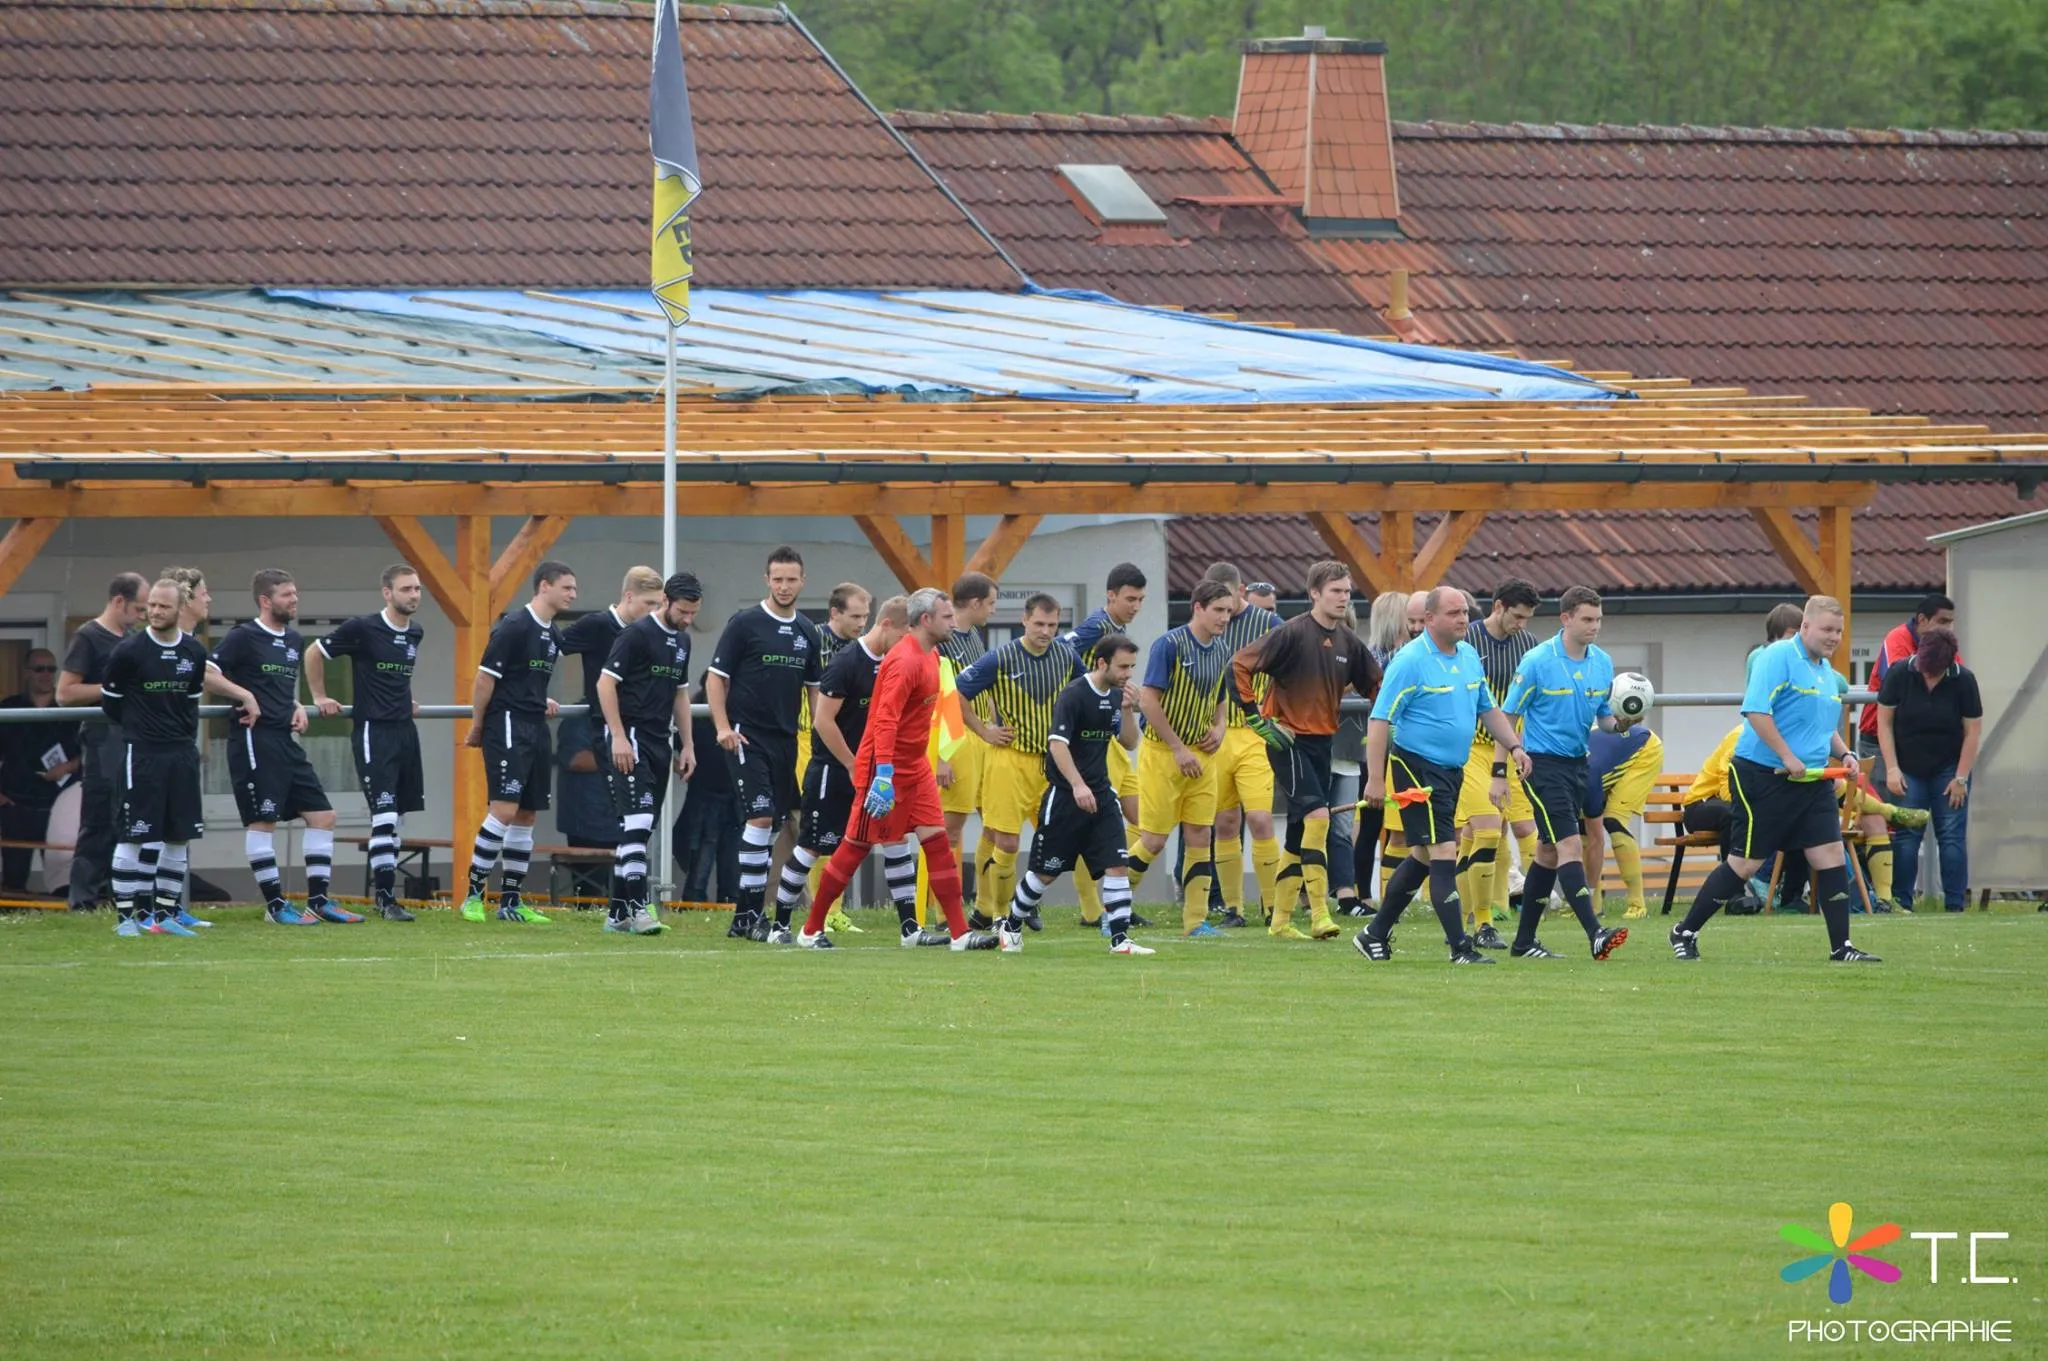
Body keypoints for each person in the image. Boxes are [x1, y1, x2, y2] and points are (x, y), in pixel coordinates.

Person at [1671, 596, 1879, 963]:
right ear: (1805, 627)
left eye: (1839, 631)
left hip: (1811, 779)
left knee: (1830, 854)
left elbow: (1823, 725)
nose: (1834, 637)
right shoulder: (1777, 657)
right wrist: (1786, 755)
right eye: (1827, 629)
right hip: (1762, 774)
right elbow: (1755, 711)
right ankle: (1684, 931)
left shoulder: (1825, 671)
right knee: (1747, 863)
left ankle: (1842, 948)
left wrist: (1844, 753)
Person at [798, 588, 997, 951]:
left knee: (938, 842)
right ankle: (810, 930)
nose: (954, 624)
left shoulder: (932, 655)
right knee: (854, 848)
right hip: (883, 768)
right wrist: (883, 775)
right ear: (926, 620)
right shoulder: (904, 662)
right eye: (947, 617)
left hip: (915, 766)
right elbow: (884, 721)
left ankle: (959, 933)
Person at [1356, 587, 1532, 964]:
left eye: (1464, 612)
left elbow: (1488, 708)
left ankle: (1374, 934)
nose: (1462, 619)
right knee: (1443, 851)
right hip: (1416, 767)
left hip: (1452, 769)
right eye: (1453, 613)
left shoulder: (1468, 656)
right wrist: (1375, 779)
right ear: (1430, 619)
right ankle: (1460, 947)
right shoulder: (1410, 661)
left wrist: (1515, 746)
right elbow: (1379, 719)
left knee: (1422, 855)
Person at [1231, 559, 1382, 941]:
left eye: (1347, 591)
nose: (1343, 598)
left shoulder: (1348, 641)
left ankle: (1280, 922)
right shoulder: (1291, 633)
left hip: (1321, 743)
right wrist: (1256, 718)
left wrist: (1391, 719)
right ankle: (1319, 914)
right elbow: (1239, 666)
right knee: (1318, 817)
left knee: (1299, 833)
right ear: (1315, 593)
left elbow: (1377, 685)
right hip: (1288, 742)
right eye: (1336, 591)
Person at [100, 579, 259, 936]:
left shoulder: (194, 652)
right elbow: (112, 703)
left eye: (163, 606)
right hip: (142, 754)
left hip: (182, 754)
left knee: (178, 836)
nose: (155, 612)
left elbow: (189, 701)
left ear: (179, 608)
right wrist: (143, 727)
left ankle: (166, 915)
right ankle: (126, 919)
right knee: (134, 835)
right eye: (152, 606)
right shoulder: (129, 651)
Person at [774, 596, 928, 943]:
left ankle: (910, 928)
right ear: (887, 626)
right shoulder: (846, 662)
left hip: (876, 772)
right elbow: (823, 720)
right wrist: (851, 763)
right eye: (904, 635)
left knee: (896, 839)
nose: (908, 644)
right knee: (813, 847)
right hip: (834, 770)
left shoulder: (895, 663)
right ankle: (779, 926)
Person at [1496, 587, 1632, 961]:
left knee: (1547, 852)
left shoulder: (1602, 662)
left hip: (1577, 764)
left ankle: (1523, 943)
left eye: (1598, 620)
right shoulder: (1537, 661)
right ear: (1566, 618)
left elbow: (1605, 719)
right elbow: (1506, 717)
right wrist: (1499, 770)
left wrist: (1624, 722)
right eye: (1587, 619)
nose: (1595, 626)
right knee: (1570, 845)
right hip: (1541, 765)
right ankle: (1595, 933)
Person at [210, 569, 352, 925]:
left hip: (285, 741)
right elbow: (206, 672)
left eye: (295, 593)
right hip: (253, 739)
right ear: (265, 600)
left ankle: (318, 902)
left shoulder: (293, 639)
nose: (295, 599)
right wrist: (244, 696)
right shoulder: (242, 636)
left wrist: (296, 705)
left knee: (323, 816)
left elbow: (276, 686)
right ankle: (275, 907)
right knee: (263, 821)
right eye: (287, 594)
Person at [998, 636, 1148, 954]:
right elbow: (1057, 745)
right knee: (1045, 874)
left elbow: (1130, 742)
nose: (1128, 674)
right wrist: (1078, 785)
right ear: (1102, 663)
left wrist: (1128, 710)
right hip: (1066, 797)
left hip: (1102, 796)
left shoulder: (1117, 696)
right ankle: (1011, 925)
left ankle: (1120, 940)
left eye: (1131, 667)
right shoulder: (1074, 694)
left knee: (1117, 866)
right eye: (1123, 667)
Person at [705, 545, 822, 940]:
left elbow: (814, 691)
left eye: (791, 579)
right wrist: (722, 727)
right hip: (746, 736)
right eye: (778, 579)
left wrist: (819, 737)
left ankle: (743, 917)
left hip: (786, 741)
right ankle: (754, 916)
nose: (784, 586)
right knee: (759, 818)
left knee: (772, 828)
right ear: (766, 580)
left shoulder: (807, 631)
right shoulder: (745, 623)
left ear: (802, 581)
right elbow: (715, 678)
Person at [307, 563, 426, 921]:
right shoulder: (362, 628)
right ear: (387, 593)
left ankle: (387, 898)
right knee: (384, 816)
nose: (414, 595)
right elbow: (314, 652)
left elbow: (393, 676)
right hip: (375, 731)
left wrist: (407, 697)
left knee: (397, 817)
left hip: (405, 731)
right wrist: (319, 696)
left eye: (417, 589)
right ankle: (386, 900)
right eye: (406, 589)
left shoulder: (415, 632)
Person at [958, 593, 1081, 930]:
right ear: (1024, 620)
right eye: (1039, 623)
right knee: (1006, 840)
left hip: (1051, 763)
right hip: (1009, 760)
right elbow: (956, 693)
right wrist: (984, 730)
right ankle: (998, 914)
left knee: (1053, 840)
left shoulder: (1067, 656)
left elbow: (1085, 691)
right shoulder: (1000, 657)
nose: (1046, 631)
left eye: (1052, 625)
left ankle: (1022, 901)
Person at [461, 560, 575, 923]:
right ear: (544, 586)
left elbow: (525, 679)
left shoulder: (553, 634)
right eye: (567, 587)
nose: (573, 594)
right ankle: (473, 895)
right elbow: (485, 679)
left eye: (574, 589)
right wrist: (478, 725)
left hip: (536, 727)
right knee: (504, 809)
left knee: (527, 814)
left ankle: (511, 901)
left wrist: (541, 698)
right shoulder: (514, 625)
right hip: (507, 724)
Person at [595, 571, 702, 935]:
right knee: (638, 824)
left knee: (639, 828)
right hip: (632, 737)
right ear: (666, 601)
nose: (687, 619)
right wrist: (618, 736)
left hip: (659, 741)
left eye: (693, 613)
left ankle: (616, 915)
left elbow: (680, 694)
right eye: (683, 611)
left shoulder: (683, 641)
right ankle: (640, 908)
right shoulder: (636, 634)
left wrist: (687, 745)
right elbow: (605, 683)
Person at [1128, 580, 1235, 938]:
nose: (1224, 617)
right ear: (1198, 608)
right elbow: (1148, 700)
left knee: (1200, 834)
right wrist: (1177, 748)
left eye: (1229, 610)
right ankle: (1114, 908)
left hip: (1202, 756)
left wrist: (1220, 728)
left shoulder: (1221, 648)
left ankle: (1195, 921)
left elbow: (1220, 697)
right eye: (1218, 610)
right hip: (1164, 754)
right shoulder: (1169, 645)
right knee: (1154, 840)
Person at [1454, 578, 1541, 950]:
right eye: (1517, 616)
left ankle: (1466, 916)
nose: (1521, 624)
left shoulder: (1528, 645)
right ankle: (1483, 923)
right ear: (1498, 607)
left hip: (1512, 747)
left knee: (1513, 831)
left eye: (1527, 618)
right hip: (1470, 748)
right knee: (1488, 830)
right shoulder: (1467, 642)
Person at [56, 572, 146, 910]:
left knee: (128, 816)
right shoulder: (89, 636)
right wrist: (111, 689)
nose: (142, 616)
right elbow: (65, 694)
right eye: (138, 608)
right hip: (102, 737)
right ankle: (83, 900)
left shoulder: (134, 638)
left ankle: (118, 894)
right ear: (119, 601)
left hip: (132, 736)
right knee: (99, 818)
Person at [1875, 625, 1980, 912]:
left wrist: (1961, 777)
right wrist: (1892, 768)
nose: (1928, 675)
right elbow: (1884, 724)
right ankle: (1901, 902)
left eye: (1935, 672)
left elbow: (1972, 731)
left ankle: (1955, 905)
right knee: (1907, 835)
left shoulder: (1964, 680)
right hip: (1907, 766)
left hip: (1950, 767)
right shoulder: (1899, 673)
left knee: (1951, 835)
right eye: (1925, 669)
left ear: (1949, 663)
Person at [1205, 562, 1283, 929]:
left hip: (1254, 733)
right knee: (1225, 821)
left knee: (1260, 818)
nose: (1222, 612)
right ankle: (1233, 908)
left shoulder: (1270, 625)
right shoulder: (1204, 627)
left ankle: (1272, 906)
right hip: (1218, 735)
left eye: (1226, 600)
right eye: (1214, 603)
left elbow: (1291, 668)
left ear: (1240, 591)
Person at [1064, 562, 1148, 825]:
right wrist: (1087, 685)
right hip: (1093, 739)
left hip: (1111, 734)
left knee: (1142, 819)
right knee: (1102, 820)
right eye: (1130, 599)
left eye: (1140, 600)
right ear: (1111, 595)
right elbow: (1059, 650)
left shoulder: (1117, 627)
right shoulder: (1099, 625)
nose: (1136, 606)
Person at [936, 571, 998, 904]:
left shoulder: (974, 635)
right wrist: (939, 756)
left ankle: (987, 906)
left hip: (983, 739)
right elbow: (938, 699)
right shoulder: (940, 641)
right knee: (950, 828)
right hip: (954, 740)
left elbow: (984, 687)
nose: (993, 610)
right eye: (990, 603)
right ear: (974, 603)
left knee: (996, 822)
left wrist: (993, 726)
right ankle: (945, 911)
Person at [0, 649, 80, 894]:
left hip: (58, 805)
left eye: (51, 669)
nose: (46, 675)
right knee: (13, 878)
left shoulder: (71, 710)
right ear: (26, 673)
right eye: (39, 669)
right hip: (16, 804)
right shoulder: (9, 708)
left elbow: (89, 753)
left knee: (63, 879)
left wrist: (67, 767)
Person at [561, 566, 664, 740]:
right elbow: (546, 649)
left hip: (644, 726)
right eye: (649, 603)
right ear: (629, 597)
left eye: (657, 604)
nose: (654, 610)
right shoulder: (596, 624)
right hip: (607, 726)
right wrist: (539, 695)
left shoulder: (651, 631)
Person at [1582, 718, 1665, 920]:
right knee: (1582, 831)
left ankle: (1637, 904)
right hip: (1610, 756)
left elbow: (1595, 836)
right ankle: (1592, 905)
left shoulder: (1587, 775)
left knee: (1614, 821)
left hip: (1644, 749)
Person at [1858, 593, 1957, 759]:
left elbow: (1957, 678)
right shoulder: (1897, 638)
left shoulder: (1945, 643)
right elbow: (1899, 681)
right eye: (1942, 621)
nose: (1948, 629)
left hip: (1918, 736)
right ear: (1922, 619)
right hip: (1879, 737)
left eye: (1950, 623)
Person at [674, 684, 739, 904]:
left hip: (734, 800)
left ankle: (730, 905)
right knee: (700, 866)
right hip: (703, 800)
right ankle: (694, 904)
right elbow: (668, 742)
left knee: (732, 866)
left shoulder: (737, 716)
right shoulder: (696, 718)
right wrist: (680, 766)